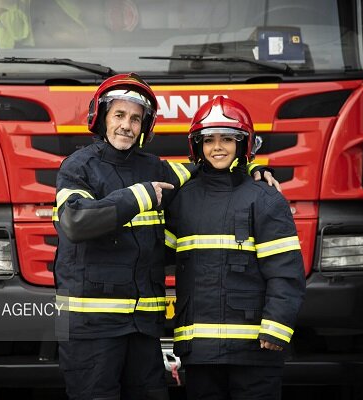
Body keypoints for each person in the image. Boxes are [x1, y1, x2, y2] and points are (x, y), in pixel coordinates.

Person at [52, 73, 278, 400]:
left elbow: (209, 167)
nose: (126, 125)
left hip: (143, 326)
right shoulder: (78, 167)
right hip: (87, 327)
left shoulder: (157, 168)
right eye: (118, 115)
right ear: (101, 118)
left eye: (135, 118)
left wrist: (252, 171)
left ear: (145, 125)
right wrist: (139, 196)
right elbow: (75, 222)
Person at [164, 96, 306, 400]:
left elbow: (286, 271)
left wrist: (276, 327)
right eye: (209, 139)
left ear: (243, 145)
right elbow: (158, 255)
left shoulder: (265, 199)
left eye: (228, 139)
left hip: (255, 349)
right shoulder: (182, 198)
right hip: (199, 351)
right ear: (197, 145)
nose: (218, 147)